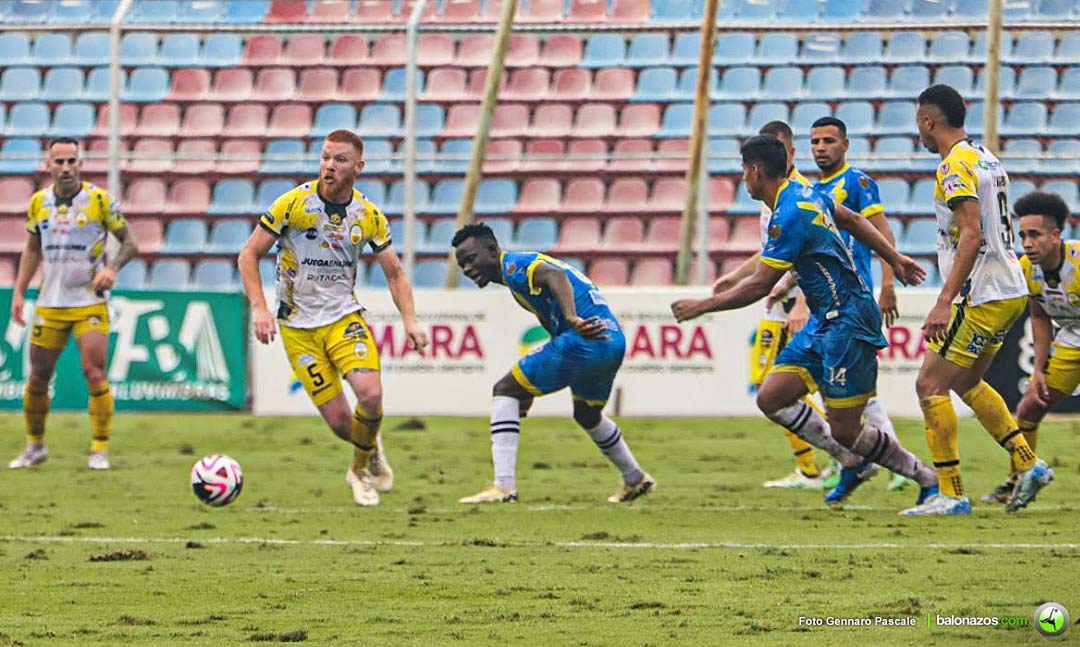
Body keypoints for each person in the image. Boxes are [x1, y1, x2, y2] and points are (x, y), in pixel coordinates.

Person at [671, 135, 939, 510]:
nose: (743, 180)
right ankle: (853, 462)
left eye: (743, 172)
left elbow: (760, 284)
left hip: (848, 320)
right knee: (772, 397)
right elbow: (852, 219)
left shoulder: (787, 214)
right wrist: (894, 258)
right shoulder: (803, 192)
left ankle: (925, 477)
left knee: (846, 427)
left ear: (754, 170)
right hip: (823, 319)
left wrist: (703, 306)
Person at [237, 129, 428, 507]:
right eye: (325, 157)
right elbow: (248, 255)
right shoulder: (292, 204)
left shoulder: (368, 215)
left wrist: (409, 320)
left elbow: (395, 273)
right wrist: (259, 307)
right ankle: (369, 449)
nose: (329, 166)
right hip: (297, 328)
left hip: (343, 318)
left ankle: (358, 472)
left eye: (339, 160)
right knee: (343, 424)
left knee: (371, 395)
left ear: (358, 167)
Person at [905, 85, 1052, 515]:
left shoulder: (953, 166)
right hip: (1009, 288)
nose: (919, 131)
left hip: (981, 293)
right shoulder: (985, 156)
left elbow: (971, 232)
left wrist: (943, 300)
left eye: (919, 123)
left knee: (929, 385)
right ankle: (1029, 464)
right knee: (966, 382)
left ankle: (951, 495)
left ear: (929, 121)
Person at [452, 223, 655, 504]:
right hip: (611, 340)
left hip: (584, 339)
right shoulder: (517, 279)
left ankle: (503, 487)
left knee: (505, 390)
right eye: (462, 264)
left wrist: (572, 318)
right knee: (587, 415)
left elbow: (554, 275)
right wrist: (530, 390)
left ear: (491, 249)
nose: (466, 268)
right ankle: (634, 478)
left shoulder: (514, 266)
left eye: (470, 258)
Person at [712, 121, 835, 490]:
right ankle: (812, 467)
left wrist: (801, 305)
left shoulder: (801, 194)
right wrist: (736, 276)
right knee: (769, 384)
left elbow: (812, 251)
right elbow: (773, 251)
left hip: (796, 305)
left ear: (789, 153)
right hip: (776, 305)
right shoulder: (770, 194)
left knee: (782, 389)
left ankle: (842, 452)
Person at [8, 137, 138, 471]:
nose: (65, 168)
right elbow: (32, 249)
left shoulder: (99, 200)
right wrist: (19, 292)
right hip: (50, 303)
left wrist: (112, 268)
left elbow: (130, 242)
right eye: (59, 162)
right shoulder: (39, 203)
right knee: (37, 376)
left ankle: (99, 449)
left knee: (94, 373)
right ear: (48, 165)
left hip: (88, 302)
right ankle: (35, 446)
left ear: (81, 164)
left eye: (71, 161)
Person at [808, 115, 910, 493]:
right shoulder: (813, 190)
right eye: (815, 141)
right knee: (839, 389)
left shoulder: (857, 182)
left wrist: (888, 284)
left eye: (829, 141)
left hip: (853, 299)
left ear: (845, 145)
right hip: (826, 302)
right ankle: (870, 460)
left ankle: (887, 462)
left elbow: (881, 231)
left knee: (852, 392)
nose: (821, 148)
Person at [982, 191, 1070, 505]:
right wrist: (1038, 373)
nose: (1027, 242)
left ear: (1056, 236)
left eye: (1035, 234)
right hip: (1073, 338)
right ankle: (1017, 479)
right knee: (1029, 408)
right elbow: (1039, 315)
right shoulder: (1026, 268)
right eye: (1023, 235)